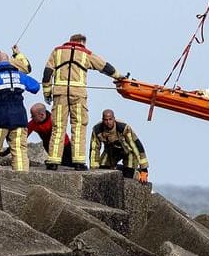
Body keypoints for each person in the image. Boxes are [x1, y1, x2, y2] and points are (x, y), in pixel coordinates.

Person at [43, 34, 126, 168]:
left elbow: (47, 73)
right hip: (78, 95)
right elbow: (104, 66)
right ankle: (78, 162)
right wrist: (119, 76)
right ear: (82, 42)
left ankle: (53, 161)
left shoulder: (57, 51)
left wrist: (47, 93)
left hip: (59, 95)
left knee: (58, 127)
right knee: (79, 126)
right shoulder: (85, 53)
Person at [89, 109, 148, 180]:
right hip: (111, 151)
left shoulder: (123, 128)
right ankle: (116, 168)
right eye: (106, 120)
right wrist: (93, 170)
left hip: (128, 151)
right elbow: (94, 149)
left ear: (114, 119)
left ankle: (137, 173)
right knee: (102, 170)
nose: (108, 122)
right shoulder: (97, 129)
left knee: (128, 174)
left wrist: (144, 169)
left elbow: (135, 146)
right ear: (102, 120)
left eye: (110, 119)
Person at [27, 102, 58, 167]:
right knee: (46, 143)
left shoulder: (54, 121)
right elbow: (22, 137)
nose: (31, 117)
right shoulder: (33, 123)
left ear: (42, 115)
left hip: (64, 146)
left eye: (33, 116)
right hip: (48, 146)